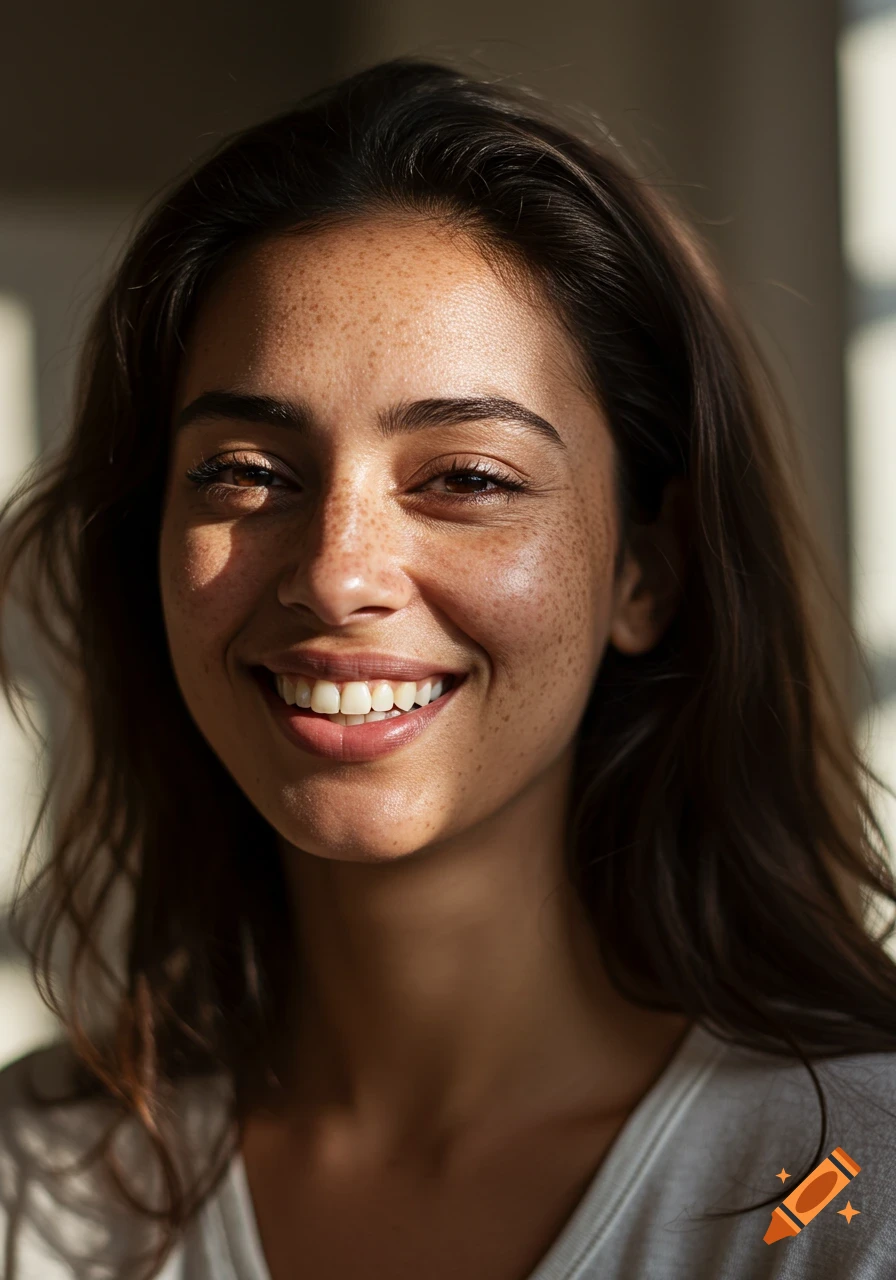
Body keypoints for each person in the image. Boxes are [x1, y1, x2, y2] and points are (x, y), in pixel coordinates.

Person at [1, 57, 895, 1280]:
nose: (334, 571)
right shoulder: (36, 1188)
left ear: (647, 570)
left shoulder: (847, 1190)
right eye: (245, 471)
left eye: (465, 477)